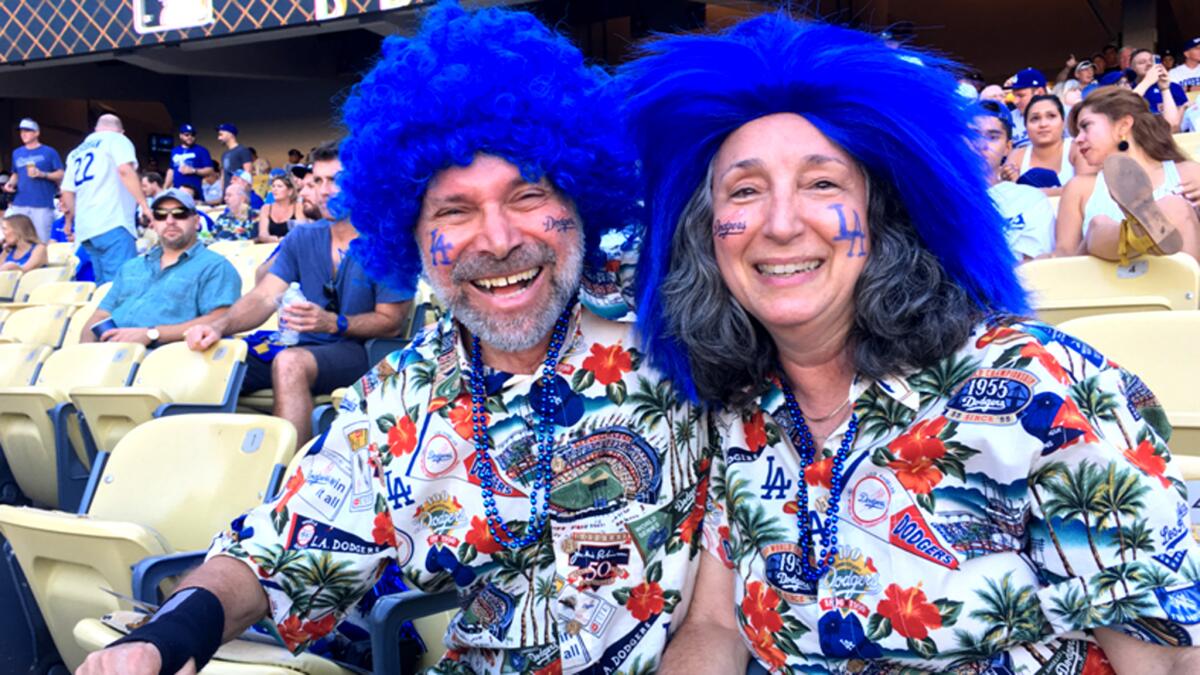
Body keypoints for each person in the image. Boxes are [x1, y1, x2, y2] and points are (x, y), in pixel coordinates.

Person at [79, 5, 707, 675]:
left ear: (580, 197)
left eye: (528, 195)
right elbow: (274, 553)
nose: (497, 240)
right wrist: (163, 639)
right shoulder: (394, 403)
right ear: (407, 233)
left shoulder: (682, 331)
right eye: (454, 210)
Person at [622, 14, 1200, 674]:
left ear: (885, 214)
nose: (780, 224)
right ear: (706, 234)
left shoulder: (1038, 386)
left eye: (822, 183)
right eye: (746, 190)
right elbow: (714, 626)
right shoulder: (739, 409)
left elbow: (1172, 663)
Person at [185, 141, 408, 447]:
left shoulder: (387, 244)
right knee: (215, 360)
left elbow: (391, 322)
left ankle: (291, 478)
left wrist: (333, 323)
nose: (325, 191)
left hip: (362, 352)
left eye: (337, 180)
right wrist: (217, 326)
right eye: (317, 181)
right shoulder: (302, 236)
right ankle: (209, 469)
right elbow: (264, 297)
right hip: (301, 346)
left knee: (290, 364)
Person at [1055, 87, 1200, 261]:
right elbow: (1064, 260)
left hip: (1179, 284)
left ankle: (1137, 233)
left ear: (1123, 126)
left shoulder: (1189, 173)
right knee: (1098, 225)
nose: (1078, 139)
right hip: (1106, 286)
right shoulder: (1079, 188)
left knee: (1174, 207)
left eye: (1086, 126)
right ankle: (1140, 233)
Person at [81, 188, 240, 346]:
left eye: (180, 213)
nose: (170, 221)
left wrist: (152, 334)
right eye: (161, 215)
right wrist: (85, 354)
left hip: (165, 360)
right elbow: (100, 316)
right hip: (110, 357)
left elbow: (221, 319)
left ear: (196, 222)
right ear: (154, 223)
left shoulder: (215, 267)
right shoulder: (131, 267)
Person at [61, 114, 150, 284]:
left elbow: (66, 191)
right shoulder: (117, 139)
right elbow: (124, 170)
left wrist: (77, 218)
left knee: (102, 289)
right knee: (122, 287)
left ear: (95, 130)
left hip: (87, 229)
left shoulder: (75, 152)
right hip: (113, 222)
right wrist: (145, 205)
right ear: (122, 132)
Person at [974, 101, 1056, 260]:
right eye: (973, 135)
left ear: (1007, 148)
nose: (981, 144)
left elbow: (1033, 263)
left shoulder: (1029, 200)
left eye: (992, 137)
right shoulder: (941, 197)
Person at [1004, 94, 1088, 193]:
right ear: (1025, 126)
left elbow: (1085, 188)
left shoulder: (1078, 148)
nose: (1043, 124)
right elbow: (1009, 193)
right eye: (1035, 118)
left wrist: (1026, 191)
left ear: (1063, 122)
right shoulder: (1017, 156)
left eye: (1051, 116)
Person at [3, 118, 64, 242]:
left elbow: (61, 174)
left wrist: (42, 174)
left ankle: (41, 262)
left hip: (41, 204)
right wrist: (10, 183)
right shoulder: (17, 153)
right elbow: (16, 173)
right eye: (21, 131)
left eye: (27, 131)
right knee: (20, 241)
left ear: (37, 133)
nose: (23, 134)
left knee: (42, 241)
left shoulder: (49, 152)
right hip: (20, 203)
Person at [1130, 48, 1186, 126]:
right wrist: (1147, 81)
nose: (1149, 64)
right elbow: (1126, 107)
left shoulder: (1173, 87)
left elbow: (1175, 124)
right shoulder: (1128, 89)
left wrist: (1165, 89)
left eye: (1151, 60)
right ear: (1132, 68)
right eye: (1142, 62)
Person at [163, 123, 214, 196]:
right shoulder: (174, 151)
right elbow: (171, 170)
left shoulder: (202, 151)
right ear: (180, 136)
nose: (190, 137)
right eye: (187, 135)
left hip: (195, 191)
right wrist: (165, 187)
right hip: (177, 190)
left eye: (192, 135)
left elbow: (210, 170)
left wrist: (194, 171)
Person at [1008, 67, 1046, 148]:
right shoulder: (1009, 118)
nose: (1015, 101)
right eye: (1014, 96)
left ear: (1039, 93)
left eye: (1021, 96)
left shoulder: (1064, 114)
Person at [256, 174, 299, 243]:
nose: (275, 189)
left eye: (279, 186)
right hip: (271, 248)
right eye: (273, 186)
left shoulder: (298, 207)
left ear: (290, 191)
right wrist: (275, 239)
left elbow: (302, 233)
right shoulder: (266, 208)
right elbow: (262, 234)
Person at [217, 123, 252, 194]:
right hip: (227, 194)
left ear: (230, 134)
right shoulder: (224, 154)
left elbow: (248, 173)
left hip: (239, 194)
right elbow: (223, 176)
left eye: (221, 134)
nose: (219, 138)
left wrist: (244, 192)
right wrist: (222, 193)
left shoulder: (242, 150)